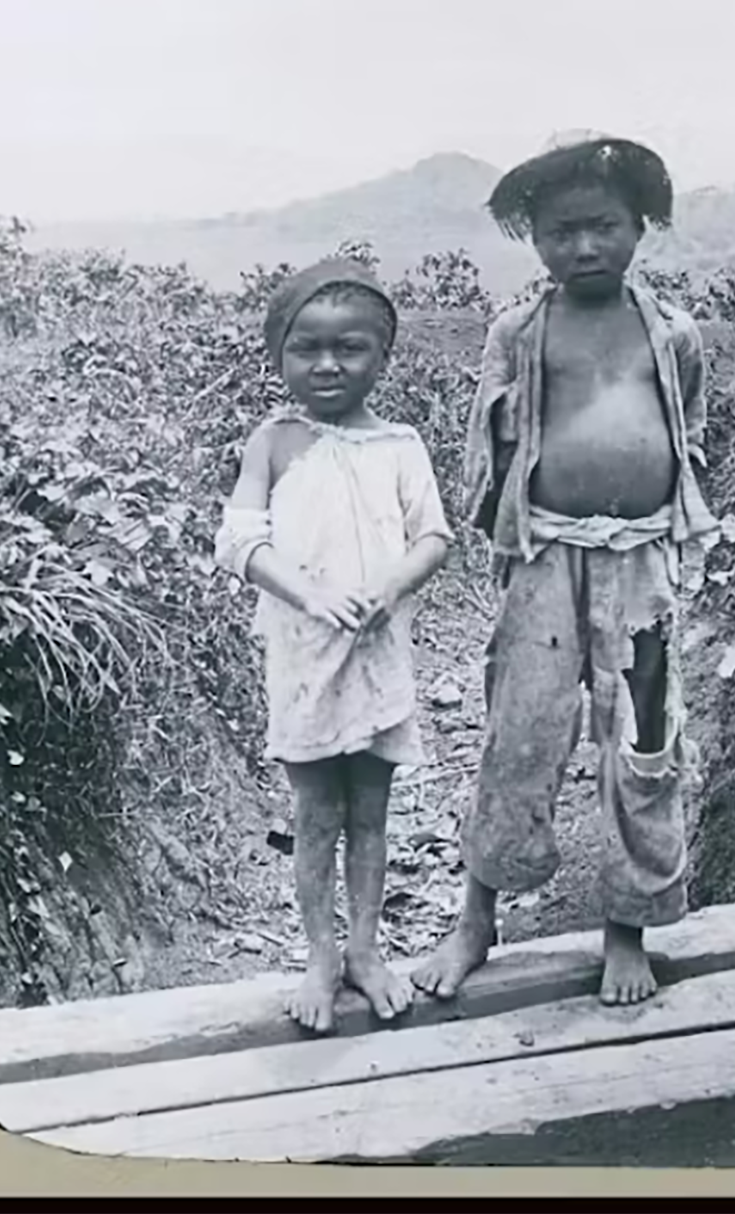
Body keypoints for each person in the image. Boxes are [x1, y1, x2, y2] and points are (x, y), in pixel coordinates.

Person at [414, 136, 720, 1007]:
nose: (584, 248)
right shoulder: (517, 332)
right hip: (545, 559)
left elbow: (689, 430)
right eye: (561, 232)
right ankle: (477, 916)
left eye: (604, 227)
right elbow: (492, 446)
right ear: (536, 239)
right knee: (521, 732)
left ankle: (626, 926)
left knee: (643, 741)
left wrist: (659, 514)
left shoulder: (673, 333)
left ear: (641, 228)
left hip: (642, 571)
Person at [214, 257, 454, 1033]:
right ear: (279, 353)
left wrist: (390, 587)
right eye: (305, 347)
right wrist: (309, 592)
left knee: (373, 811)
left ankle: (364, 949)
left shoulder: (400, 444)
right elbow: (238, 540)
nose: (326, 364)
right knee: (317, 810)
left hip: (378, 653)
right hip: (303, 655)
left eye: (349, 347)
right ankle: (319, 955)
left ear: (382, 356)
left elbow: (434, 535)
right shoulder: (275, 440)